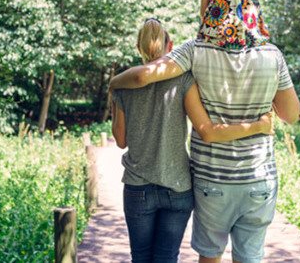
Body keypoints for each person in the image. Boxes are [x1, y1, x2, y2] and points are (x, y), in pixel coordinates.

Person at [109, 0, 300, 263]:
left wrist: (114, 83)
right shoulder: (272, 55)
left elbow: (144, 75)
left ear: (214, 0)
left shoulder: (195, 51)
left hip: (213, 179)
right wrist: (258, 116)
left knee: (208, 257)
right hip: (259, 177)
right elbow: (291, 114)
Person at [111, 18, 275, 263]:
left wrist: (115, 97)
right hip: (178, 187)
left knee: (141, 257)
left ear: (138, 46)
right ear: (171, 45)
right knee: (167, 257)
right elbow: (207, 129)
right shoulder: (184, 80)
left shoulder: (123, 86)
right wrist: (258, 126)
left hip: (138, 187)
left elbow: (121, 141)